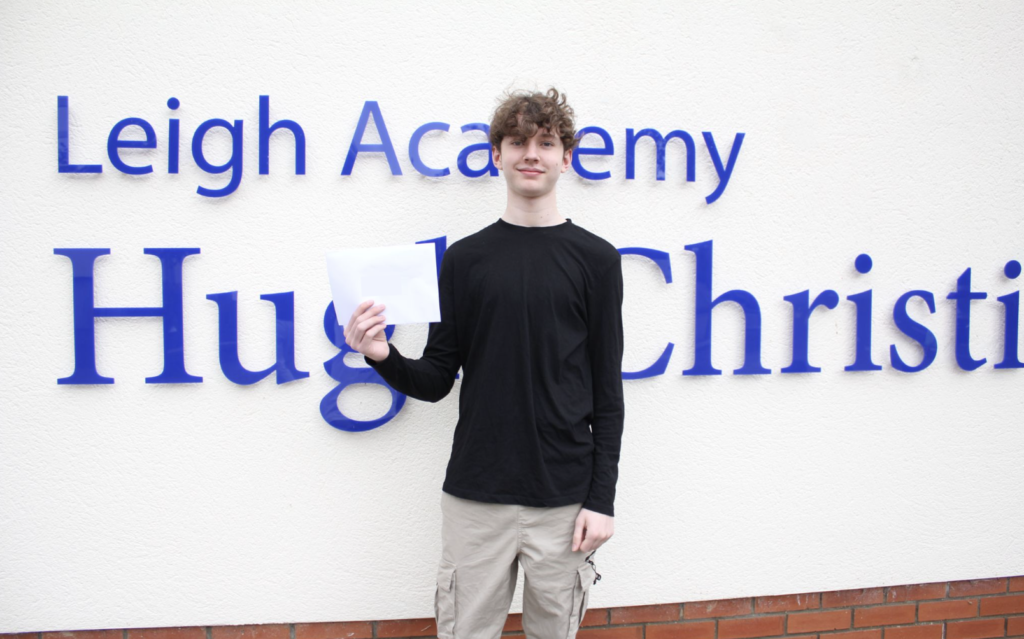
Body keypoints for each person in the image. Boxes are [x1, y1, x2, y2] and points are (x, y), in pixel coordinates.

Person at [343, 88, 624, 639]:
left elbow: (606, 391)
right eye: (517, 141)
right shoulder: (465, 259)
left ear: (566, 157)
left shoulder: (596, 259)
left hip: (564, 500)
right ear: (497, 154)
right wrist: (381, 355)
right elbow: (433, 380)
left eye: (546, 142)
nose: (531, 154)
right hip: (476, 496)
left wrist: (601, 499)